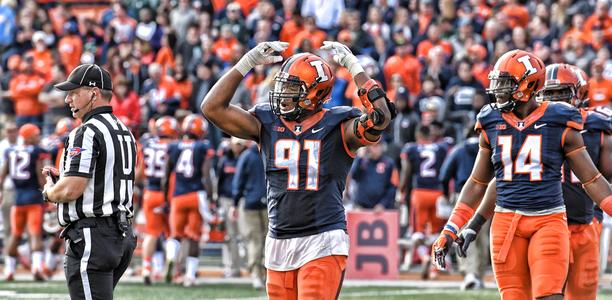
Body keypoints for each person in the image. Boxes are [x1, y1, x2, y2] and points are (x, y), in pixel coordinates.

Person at [201, 41, 394, 299]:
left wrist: (355, 68)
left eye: (293, 88)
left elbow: (380, 117)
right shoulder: (267, 122)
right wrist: (246, 62)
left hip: (322, 238)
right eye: (283, 85)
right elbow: (211, 108)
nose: (283, 94)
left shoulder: (339, 125)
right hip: (278, 238)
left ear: (316, 92)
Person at [431, 50, 612, 300]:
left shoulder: (560, 121)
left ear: (527, 84)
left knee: (551, 295)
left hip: (548, 220)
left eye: (505, 84)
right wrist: (453, 228)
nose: (498, 91)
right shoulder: (491, 119)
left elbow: (591, 178)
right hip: (506, 224)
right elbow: (478, 182)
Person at [41, 64, 137, 300]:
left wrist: (50, 191)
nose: (67, 99)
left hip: (94, 236)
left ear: (93, 94)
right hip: (121, 234)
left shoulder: (87, 131)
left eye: (74, 92)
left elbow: (72, 189)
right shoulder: (124, 131)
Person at [162, 114, 214, 287]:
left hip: (178, 195)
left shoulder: (174, 146)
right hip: (196, 194)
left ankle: (170, 258)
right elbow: (207, 175)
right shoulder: (203, 146)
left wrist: (165, 198)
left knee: (175, 235)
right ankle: (190, 276)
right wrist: (211, 198)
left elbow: (166, 176)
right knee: (193, 237)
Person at [438, 126, 487, 289]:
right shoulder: (491, 147)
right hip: (487, 195)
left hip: (464, 196)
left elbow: (445, 174)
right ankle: (479, 274)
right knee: (483, 237)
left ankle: (470, 273)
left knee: (464, 235)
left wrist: (446, 194)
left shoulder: (459, 150)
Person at [0, 124, 48, 281]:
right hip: (34, 196)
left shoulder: (11, 150)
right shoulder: (36, 151)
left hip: (17, 198)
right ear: (27, 136)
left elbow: (3, 174)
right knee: (35, 233)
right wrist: (47, 193)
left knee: (15, 234)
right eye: (35, 134)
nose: (38, 137)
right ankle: (36, 268)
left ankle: (9, 270)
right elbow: (39, 175)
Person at [136, 116, 179, 285]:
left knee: (152, 233)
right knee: (171, 233)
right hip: (169, 193)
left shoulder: (147, 145)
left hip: (150, 192)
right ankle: (171, 265)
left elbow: (139, 174)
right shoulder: (175, 146)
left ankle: (147, 268)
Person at [231, 139, 267, 289]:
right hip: (270, 203)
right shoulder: (269, 152)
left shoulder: (246, 156)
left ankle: (256, 274)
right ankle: (267, 273)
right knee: (269, 240)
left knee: (254, 240)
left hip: (251, 203)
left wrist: (235, 202)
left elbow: (238, 181)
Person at [216, 137, 247, 278]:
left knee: (246, 234)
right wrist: (219, 204)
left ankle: (249, 266)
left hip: (242, 200)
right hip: (227, 200)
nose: (237, 147)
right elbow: (219, 183)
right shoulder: (225, 160)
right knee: (230, 236)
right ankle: (231, 267)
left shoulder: (247, 158)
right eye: (236, 144)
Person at [346, 142, 398, 211]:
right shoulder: (362, 161)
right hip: (361, 207)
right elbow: (353, 176)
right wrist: (360, 158)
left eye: (378, 146)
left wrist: (383, 204)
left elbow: (393, 186)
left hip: (381, 209)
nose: (376, 149)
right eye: (374, 146)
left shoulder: (389, 163)